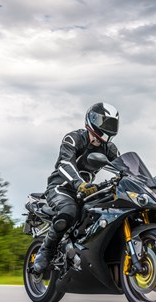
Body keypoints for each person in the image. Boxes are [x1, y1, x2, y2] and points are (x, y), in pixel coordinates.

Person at [30, 102, 120, 274]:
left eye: (111, 123)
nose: (107, 127)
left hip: (87, 191)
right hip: (61, 188)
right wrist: (79, 184)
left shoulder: (109, 148)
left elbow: (123, 167)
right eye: (105, 122)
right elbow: (64, 163)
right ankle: (46, 250)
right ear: (93, 120)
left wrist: (138, 180)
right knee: (68, 212)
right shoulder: (74, 138)